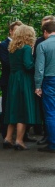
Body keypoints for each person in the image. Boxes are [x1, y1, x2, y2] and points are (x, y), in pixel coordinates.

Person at [3, 25, 41, 150]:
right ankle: (19, 141)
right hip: (23, 80)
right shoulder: (25, 48)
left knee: (14, 110)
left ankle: (8, 138)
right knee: (22, 111)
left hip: (13, 80)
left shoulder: (12, 48)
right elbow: (28, 65)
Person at [0, 21, 23, 140]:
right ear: (11, 31)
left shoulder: (22, 45)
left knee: (20, 107)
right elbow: (6, 63)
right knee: (7, 108)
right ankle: (5, 135)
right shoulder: (3, 45)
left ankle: (22, 134)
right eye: (16, 30)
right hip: (8, 80)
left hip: (19, 80)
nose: (18, 33)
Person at [34, 15, 55, 145]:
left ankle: (53, 143)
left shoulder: (43, 45)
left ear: (45, 32)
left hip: (49, 80)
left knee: (51, 112)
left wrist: (37, 86)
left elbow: (39, 68)